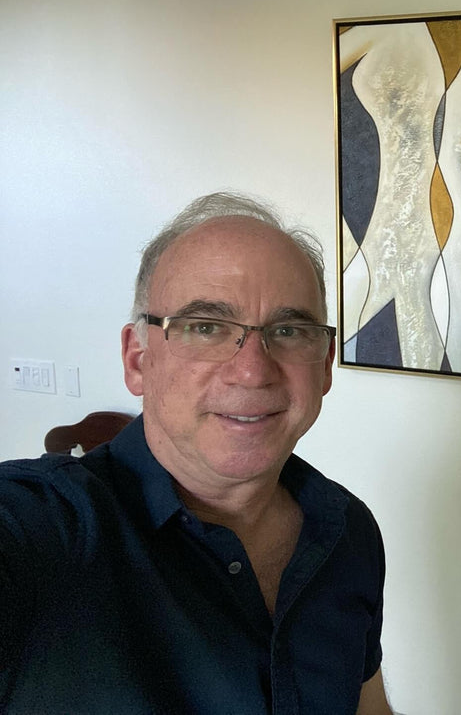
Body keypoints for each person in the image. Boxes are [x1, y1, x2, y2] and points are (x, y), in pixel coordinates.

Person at [0, 193, 393, 714]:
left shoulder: (348, 528)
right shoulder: (47, 528)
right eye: (205, 327)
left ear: (324, 368)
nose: (252, 371)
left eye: (289, 331)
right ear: (138, 360)